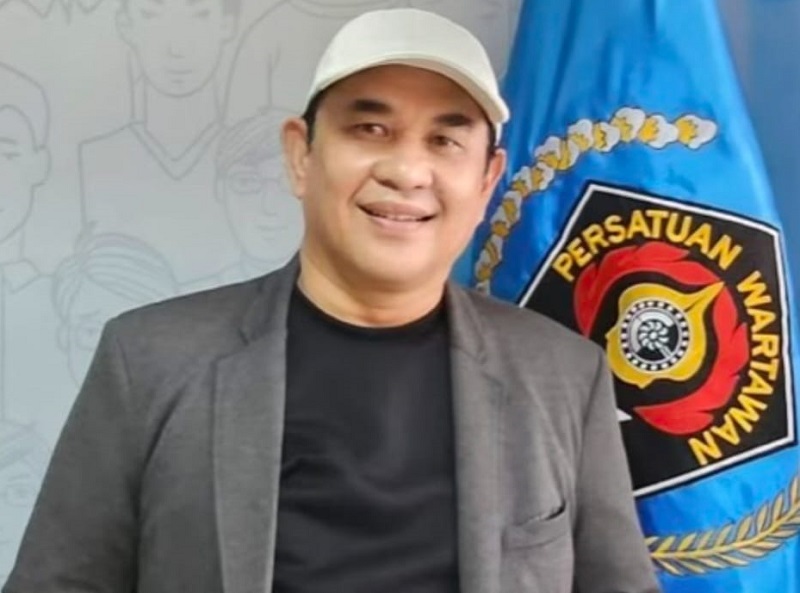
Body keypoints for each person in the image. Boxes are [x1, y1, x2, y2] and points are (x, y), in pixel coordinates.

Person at [4, 8, 660, 593]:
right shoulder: (151, 359)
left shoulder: (563, 376)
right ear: (301, 155)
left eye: (444, 140)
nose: (406, 171)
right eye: (371, 128)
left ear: (487, 179)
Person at [79, 0, 240, 284]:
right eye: (151, 15)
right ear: (126, 25)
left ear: (227, 24)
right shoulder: (97, 157)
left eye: (200, 15)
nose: (177, 49)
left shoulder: (249, 161)